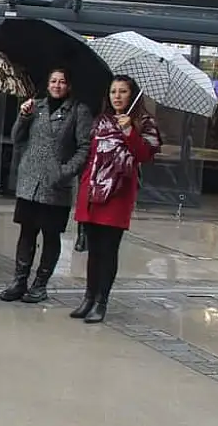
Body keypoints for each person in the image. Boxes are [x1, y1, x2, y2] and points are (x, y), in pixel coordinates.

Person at [70, 75, 160, 323]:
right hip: (92, 192)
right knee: (93, 250)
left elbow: (144, 154)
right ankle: (88, 297)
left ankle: (101, 301)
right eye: (113, 92)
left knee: (108, 250)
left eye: (122, 92)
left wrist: (130, 130)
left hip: (117, 194)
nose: (117, 96)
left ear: (132, 95)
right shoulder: (101, 121)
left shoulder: (143, 123)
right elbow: (91, 155)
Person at [0, 69, 92, 302]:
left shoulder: (79, 111)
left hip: (56, 184)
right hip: (30, 181)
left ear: (68, 86)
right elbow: (16, 137)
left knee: (51, 235)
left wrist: (66, 172)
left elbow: (84, 147)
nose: (57, 85)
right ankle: (19, 281)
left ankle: (40, 284)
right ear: (48, 84)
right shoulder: (35, 106)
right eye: (53, 81)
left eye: (62, 81)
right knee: (26, 233)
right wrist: (23, 116)